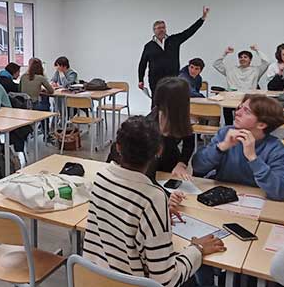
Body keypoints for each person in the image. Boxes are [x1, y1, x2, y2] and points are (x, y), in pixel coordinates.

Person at [84, 116, 226, 286]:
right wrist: (197, 249)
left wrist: (157, 217)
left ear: (118, 147)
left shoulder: (101, 178)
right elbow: (166, 280)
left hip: (95, 279)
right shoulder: (152, 197)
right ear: (159, 151)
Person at [192, 94, 284, 200]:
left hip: (255, 199)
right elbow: (198, 167)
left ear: (261, 125)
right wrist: (220, 147)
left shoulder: (275, 149)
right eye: (240, 108)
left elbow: (281, 192)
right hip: (223, 195)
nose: (237, 113)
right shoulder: (226, 133)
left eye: (247, 112)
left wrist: (253, 158)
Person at [108, 77, 195, 181]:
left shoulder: (182, 119)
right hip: (145, 162)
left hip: (167, 164)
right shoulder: (152, 120)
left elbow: (188, 145)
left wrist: (181, 164)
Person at [138, 6, 210, 104]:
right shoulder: (148, 46)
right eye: (158, 28)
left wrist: (202, 18)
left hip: (172, 78)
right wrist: (140, 79)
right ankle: (156, 120)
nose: (161, 30)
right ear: (154, 30)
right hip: (155, 80)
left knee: (172, 103)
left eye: (163, 27)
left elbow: (189, 32)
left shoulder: (174, 40)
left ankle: (171, 119)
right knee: (157, 104)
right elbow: (143, 63)